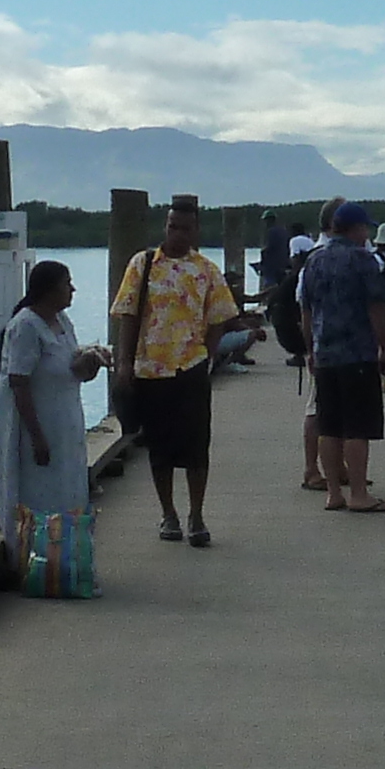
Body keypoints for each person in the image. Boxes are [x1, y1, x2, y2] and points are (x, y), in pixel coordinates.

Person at [111, 194, 240, 548]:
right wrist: (124, 362)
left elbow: (220, 317)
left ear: (196, 230)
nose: (177, 234)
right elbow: (128, 314)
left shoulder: (205, 270)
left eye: (184, 228)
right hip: (150, 370)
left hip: (190, 370)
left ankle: (196, 515)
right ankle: (168, 513)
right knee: (160, 449)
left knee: (197, 447)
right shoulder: (144, 264)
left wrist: (207, 357)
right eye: (171, 227)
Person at [295, 199, 385, 512]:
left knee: (329, 426)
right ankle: (358, 493)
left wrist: (310, 348)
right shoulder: (363, 260)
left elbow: (305, 310)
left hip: (325, 352)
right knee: (357, 427)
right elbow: (377, 309)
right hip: (357, 353)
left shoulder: (314, 261)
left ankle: (333, 492)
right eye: (365, 227)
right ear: (356, 228)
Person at [0, 259, 105, 550]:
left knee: (68, 487)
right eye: (66, 284)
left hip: (64, 420)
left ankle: (65, 554)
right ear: (47, 290)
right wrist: (37, 438)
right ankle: (32, 555)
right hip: (36, 422)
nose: (72, 289)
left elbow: (72, 370)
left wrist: (92, 362)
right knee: (38, 491)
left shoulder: (62, 322)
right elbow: (18, 382)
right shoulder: (26, 326)